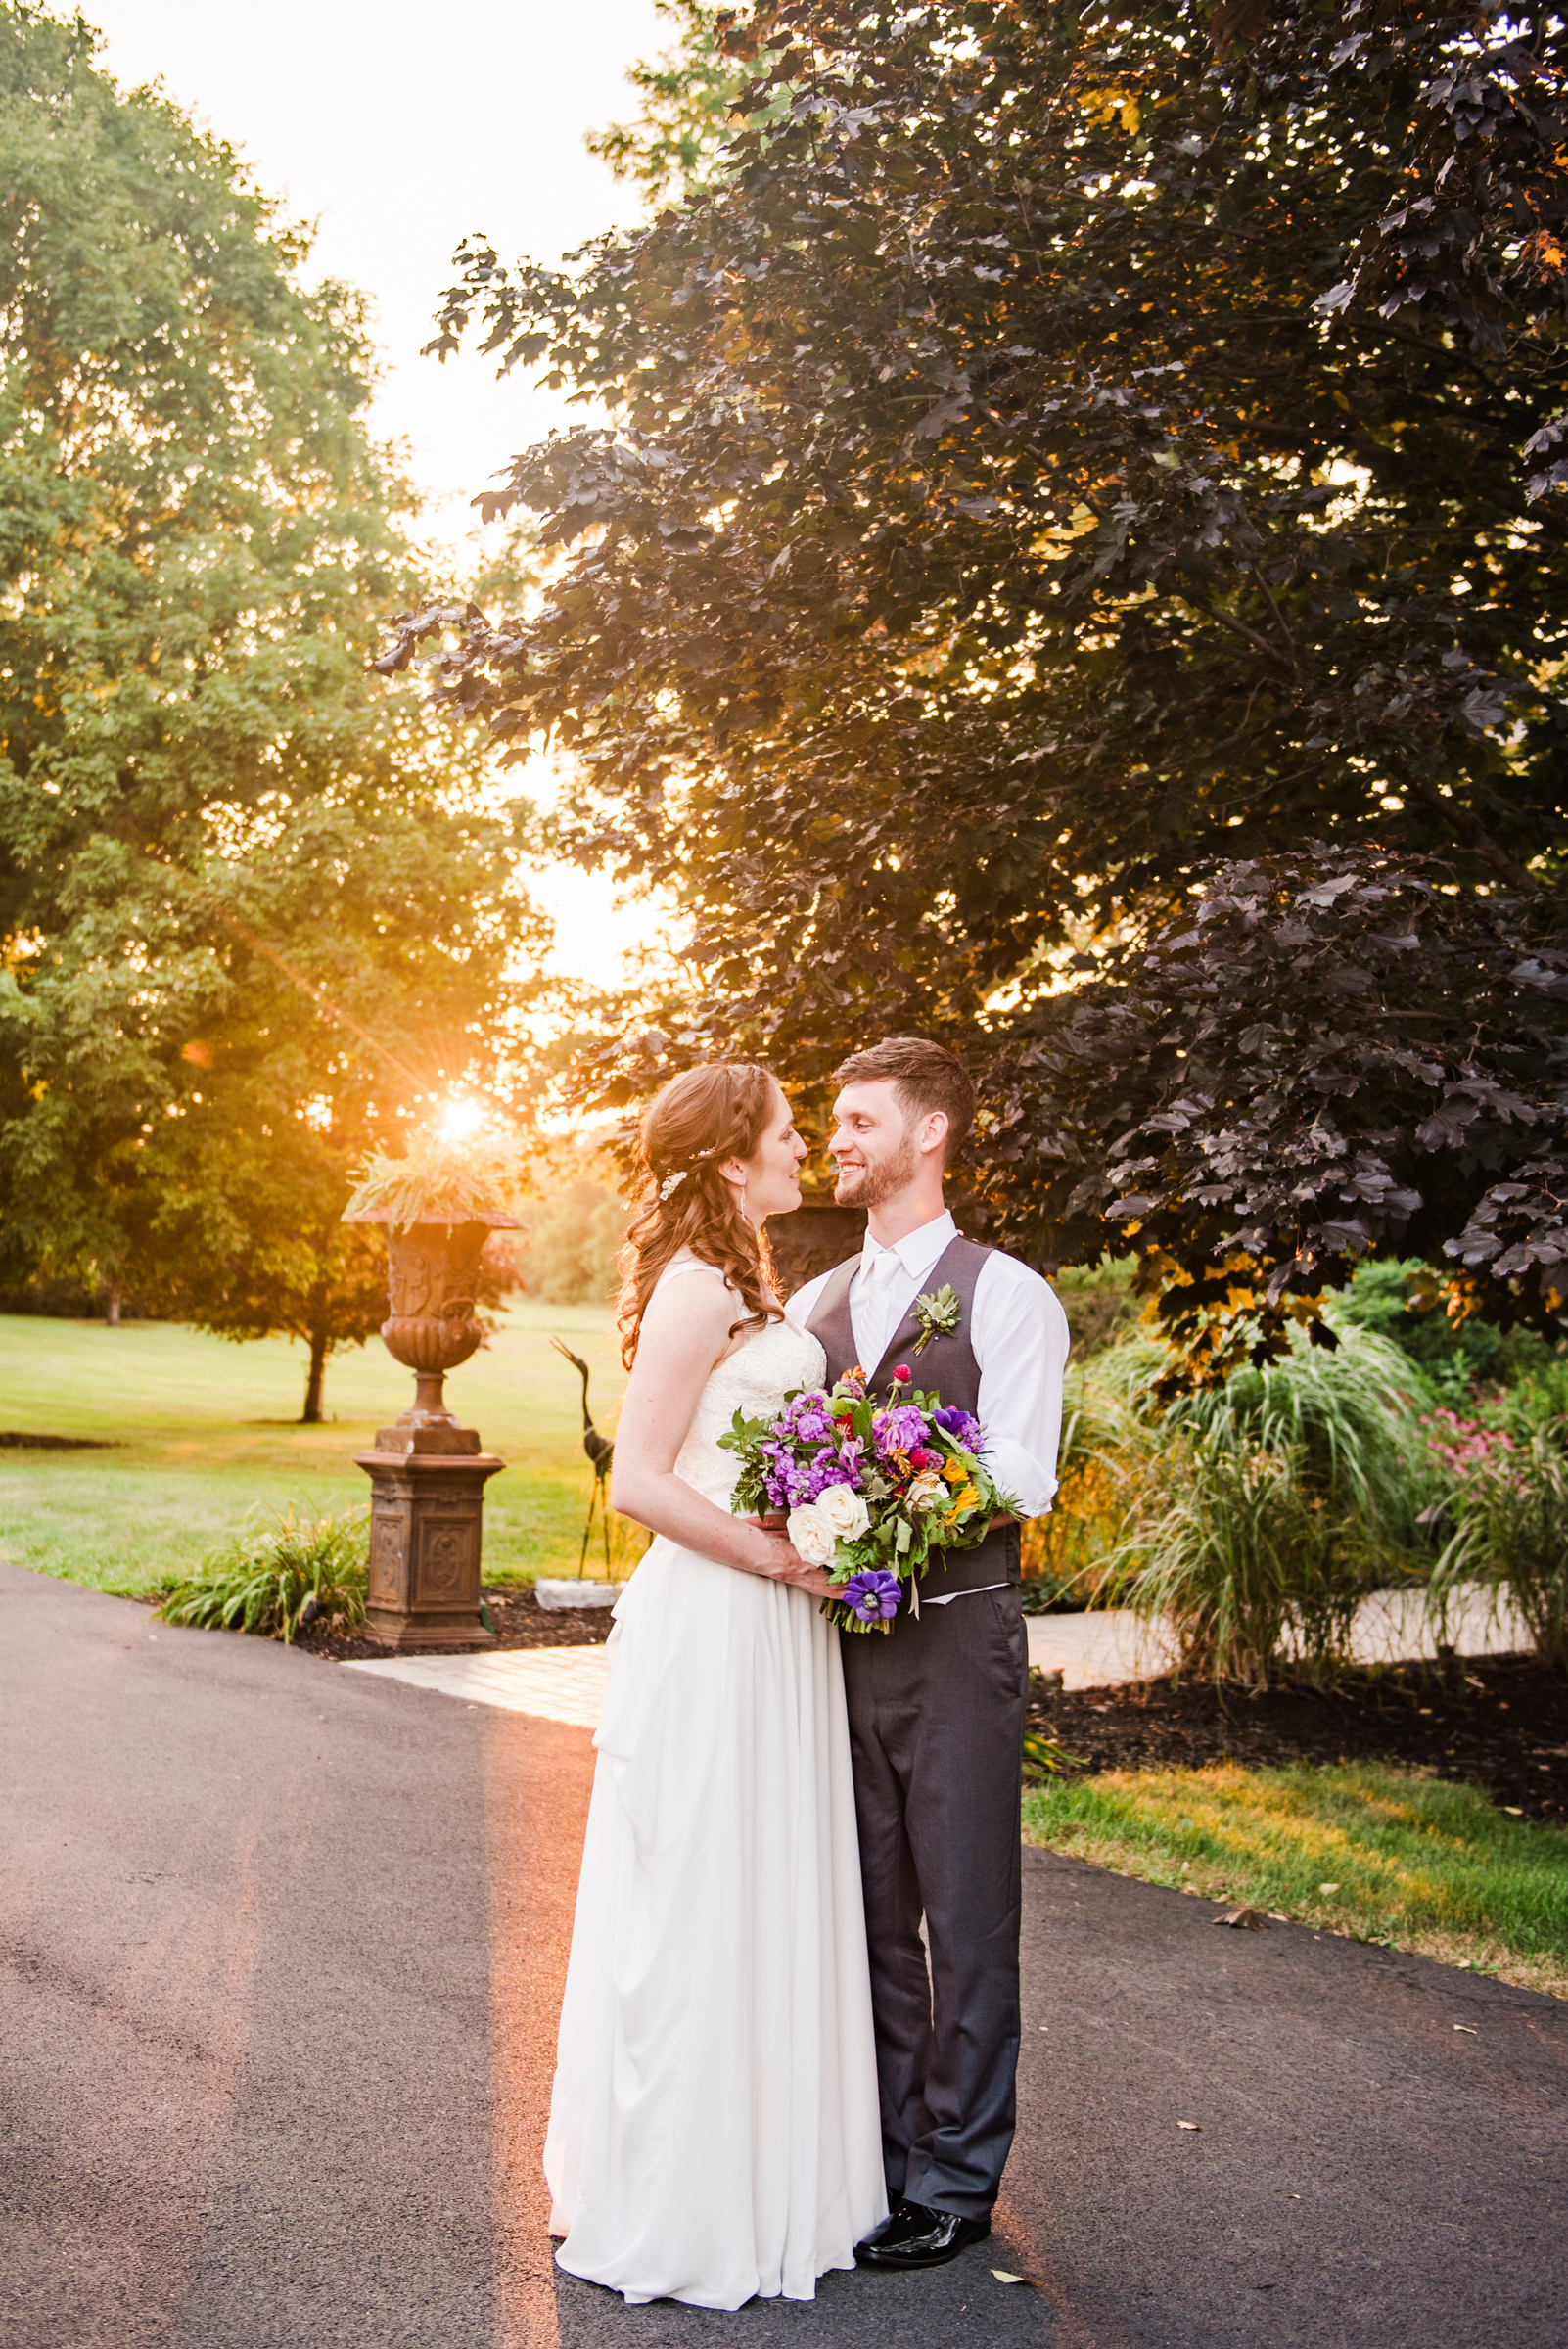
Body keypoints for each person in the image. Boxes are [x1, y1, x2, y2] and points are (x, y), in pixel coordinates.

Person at [543, 1061, 887, 2310]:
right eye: (789, 1134)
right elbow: (637, 1480)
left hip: (775, 1623)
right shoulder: (695, 1291)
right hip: (725, 1615)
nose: (805, 1151)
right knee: (703, 1886)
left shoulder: (751, 1281)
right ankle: (689, 2197)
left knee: (767, 1880)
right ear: (733, 1160)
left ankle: (780, 2179)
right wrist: (779, 1558)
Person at [788, 1036, 1071, 2274]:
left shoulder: (1007, 1292)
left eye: (859, 1122)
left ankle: (959, 2177)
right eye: (834, 1125)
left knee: (963, 1916)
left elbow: (1024, 1471)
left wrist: (883, 1469)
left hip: (959, 1641)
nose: (836, 1142)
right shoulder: (811, 1306)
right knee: (860, 1914)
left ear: (930, 1132)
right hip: (834, 1647)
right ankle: (891, 2156)